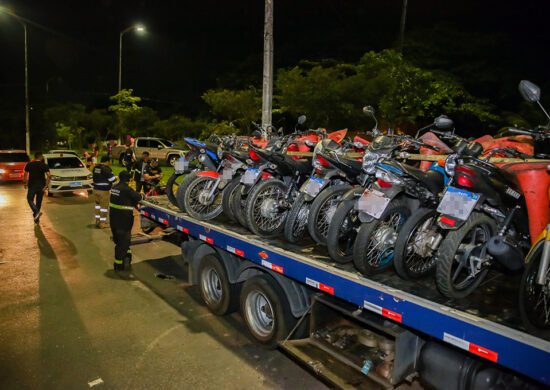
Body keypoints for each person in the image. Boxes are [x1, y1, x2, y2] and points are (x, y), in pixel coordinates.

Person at [109, 171, 143, 271]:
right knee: (123, 240)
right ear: (129, 180)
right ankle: (119, 264)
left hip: (113, 218)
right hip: (123, 220)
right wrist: (142, 195)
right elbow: (138, 197)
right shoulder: (127, 189)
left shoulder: (114, 187)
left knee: (120, 240)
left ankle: (127, 255)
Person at [23, 152, 51, 223]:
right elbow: (49, 176)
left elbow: (25, 174)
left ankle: (36, 212)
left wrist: (25, 183)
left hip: (32, 185)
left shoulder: (29, 164)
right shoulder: (44, 165)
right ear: (40, 157)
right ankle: (37, 216)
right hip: (41, 186)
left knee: (30, 199)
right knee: (39, 201)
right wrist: (46, 185)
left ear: (34, 157)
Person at [92, 155, 117, 228]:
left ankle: (97, 221)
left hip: (95, 190)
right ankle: (102, 223)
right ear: (107, 161)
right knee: (104, 207)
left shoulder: (95, 168)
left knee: (97, 206)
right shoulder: (106, 169)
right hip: (103, 191)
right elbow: (112, 179)